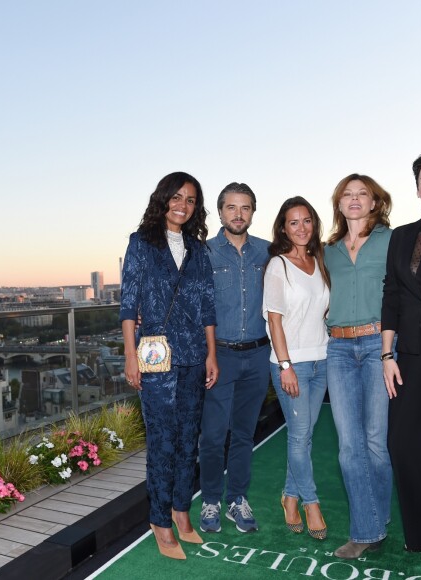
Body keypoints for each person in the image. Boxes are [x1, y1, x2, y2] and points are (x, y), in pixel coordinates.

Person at [120, 171, 218, 560]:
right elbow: (128, 304)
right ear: (163, 200)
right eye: (176, 197)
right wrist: (130, 355)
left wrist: (212, 353)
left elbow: (208, 306)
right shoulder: (141, 243)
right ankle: (159, 519)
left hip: (195, 354)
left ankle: (181, 510)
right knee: (161, 441)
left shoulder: (198, 249)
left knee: (187, 438)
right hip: (155, 356)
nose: (183, 205)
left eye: (191, 200)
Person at [324, 173, 393, 559]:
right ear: (339, 203)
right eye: (346, 195)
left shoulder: (391, 240)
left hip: (379, 344)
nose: (354, 200)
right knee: (349, 446)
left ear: (374, 202)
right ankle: (366, 531)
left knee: (374, 441)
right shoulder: (328, 248)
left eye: (361, 194)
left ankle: (377, 522)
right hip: (337, 348)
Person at [199, 182, 270, 534]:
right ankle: (210, 498)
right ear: (221, 211)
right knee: (213, 435)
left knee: (244, 434)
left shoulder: (269, 253)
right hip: (219, 356)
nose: (238, 214)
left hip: (258, 356)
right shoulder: (205, 253)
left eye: (245, 208)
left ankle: (236, 499)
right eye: (231, 207)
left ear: (253, 212)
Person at [263, 197, 330, 540]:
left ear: (314, 224)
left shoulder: (318, 260)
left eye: (307, 221)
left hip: (323, 360)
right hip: (292, 365)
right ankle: (310, 502)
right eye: (293, 222)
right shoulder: (279, 265)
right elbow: (274, 321)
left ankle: (288, 497)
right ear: (283, 228)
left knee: (303, 437)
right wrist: (286, 365)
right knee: (301, 436)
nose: (301, 227)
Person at [381, 152, 421, 575]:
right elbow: (392, 296)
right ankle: (420, 533)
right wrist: (386, 354)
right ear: (418, 187)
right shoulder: (402, 237)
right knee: (403, 443)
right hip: (410, 357)